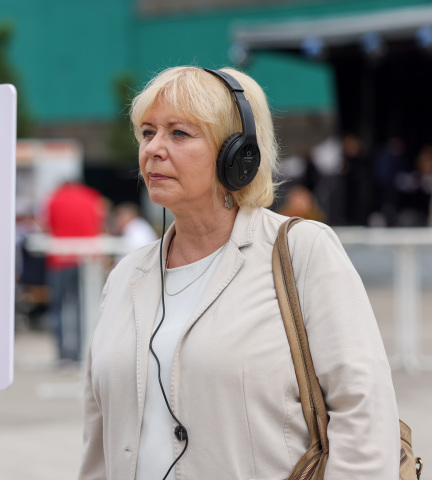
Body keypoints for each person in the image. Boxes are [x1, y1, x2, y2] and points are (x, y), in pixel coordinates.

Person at [78, 66, 399, 479]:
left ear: (239, 154)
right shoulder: (124, 277)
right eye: (146, 132)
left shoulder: (303, 252)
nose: (154, 148)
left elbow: (365, 417)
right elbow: (98, 438)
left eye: (179, 133)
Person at [43, 181, 106, 363]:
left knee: (59, 307)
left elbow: (49, 225)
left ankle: (63, 354)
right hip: (86, 260)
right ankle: (81, 352)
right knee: (83, 307)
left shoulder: (54, 199)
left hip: (59, 259)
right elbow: (99, 223)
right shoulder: (92, 196)